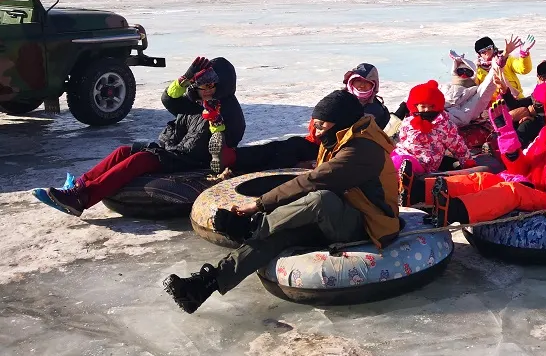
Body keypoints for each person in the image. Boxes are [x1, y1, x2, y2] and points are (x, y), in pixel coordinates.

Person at [163, 90, 398, 314]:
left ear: (341, 121)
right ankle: (206, 284)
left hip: (368, 226)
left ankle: (254, 227)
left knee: (320, 199)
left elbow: (315, 181)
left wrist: (259, 206)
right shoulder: (342, 138)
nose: (315, 133)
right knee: (278, 236)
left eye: (321, 126)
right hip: (342, 214)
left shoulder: (362, 150)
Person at [32, 57, 245, 216]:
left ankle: (82, 199)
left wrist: (216, 124)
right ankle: (79, 185)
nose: (203, 90)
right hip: (173, 150)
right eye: (199, 85)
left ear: (222, 86)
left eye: (209, 86)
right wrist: (184, 79)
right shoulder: (196, 102)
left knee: (139, 160)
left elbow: (227, 141)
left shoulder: (227, 109)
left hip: (190, 159)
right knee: (124, 151)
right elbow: (169, 100)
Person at [416, 81, 546, 224]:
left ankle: (453, 212)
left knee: (510, 192)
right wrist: (507, 134)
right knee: (484, 178)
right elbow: (522, 168)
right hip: (535, 185)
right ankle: (418, 191)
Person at [393, 80, 474, 175]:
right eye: (423, 106)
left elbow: (457, 145)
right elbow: (402, 138)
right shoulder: (408, 122)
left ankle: (404, 177)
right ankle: (390, 177)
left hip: (425, 162)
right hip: (404, 153)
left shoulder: (444, 125)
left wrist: (467, 161)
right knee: (392, 159)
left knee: (403, 163)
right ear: (415, 106)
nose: (427, 110)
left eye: (431, 106)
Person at [442, 52, 500, 127]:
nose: (464, 74)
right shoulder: (445, 87)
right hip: (437, 115)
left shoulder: (474, 91)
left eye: (468, 72)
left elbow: (487, 86)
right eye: (461, 71)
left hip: (453, 119)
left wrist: (496, 66)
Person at [343, 63, 391, 129]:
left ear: (374, 85)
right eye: (358, 80)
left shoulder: (377, 109)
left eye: (367, 82)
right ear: (351, 82)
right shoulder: (338, 100)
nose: (362, 85)